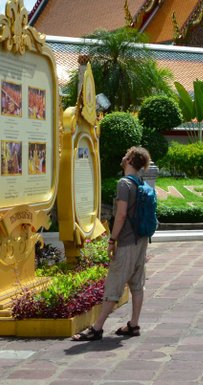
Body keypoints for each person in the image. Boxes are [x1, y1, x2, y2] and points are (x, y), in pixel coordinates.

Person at [72, 146, 151, 341]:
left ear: (131, 161)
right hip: (141, 239)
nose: (123, 156)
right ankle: (133, 324)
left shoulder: (124, 183)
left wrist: (112, 239)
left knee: (114, 283)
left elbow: (121, 214)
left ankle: (97, 328)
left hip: (126, 241)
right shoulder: (141, 182)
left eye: (127, 154)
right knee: (137, 283)